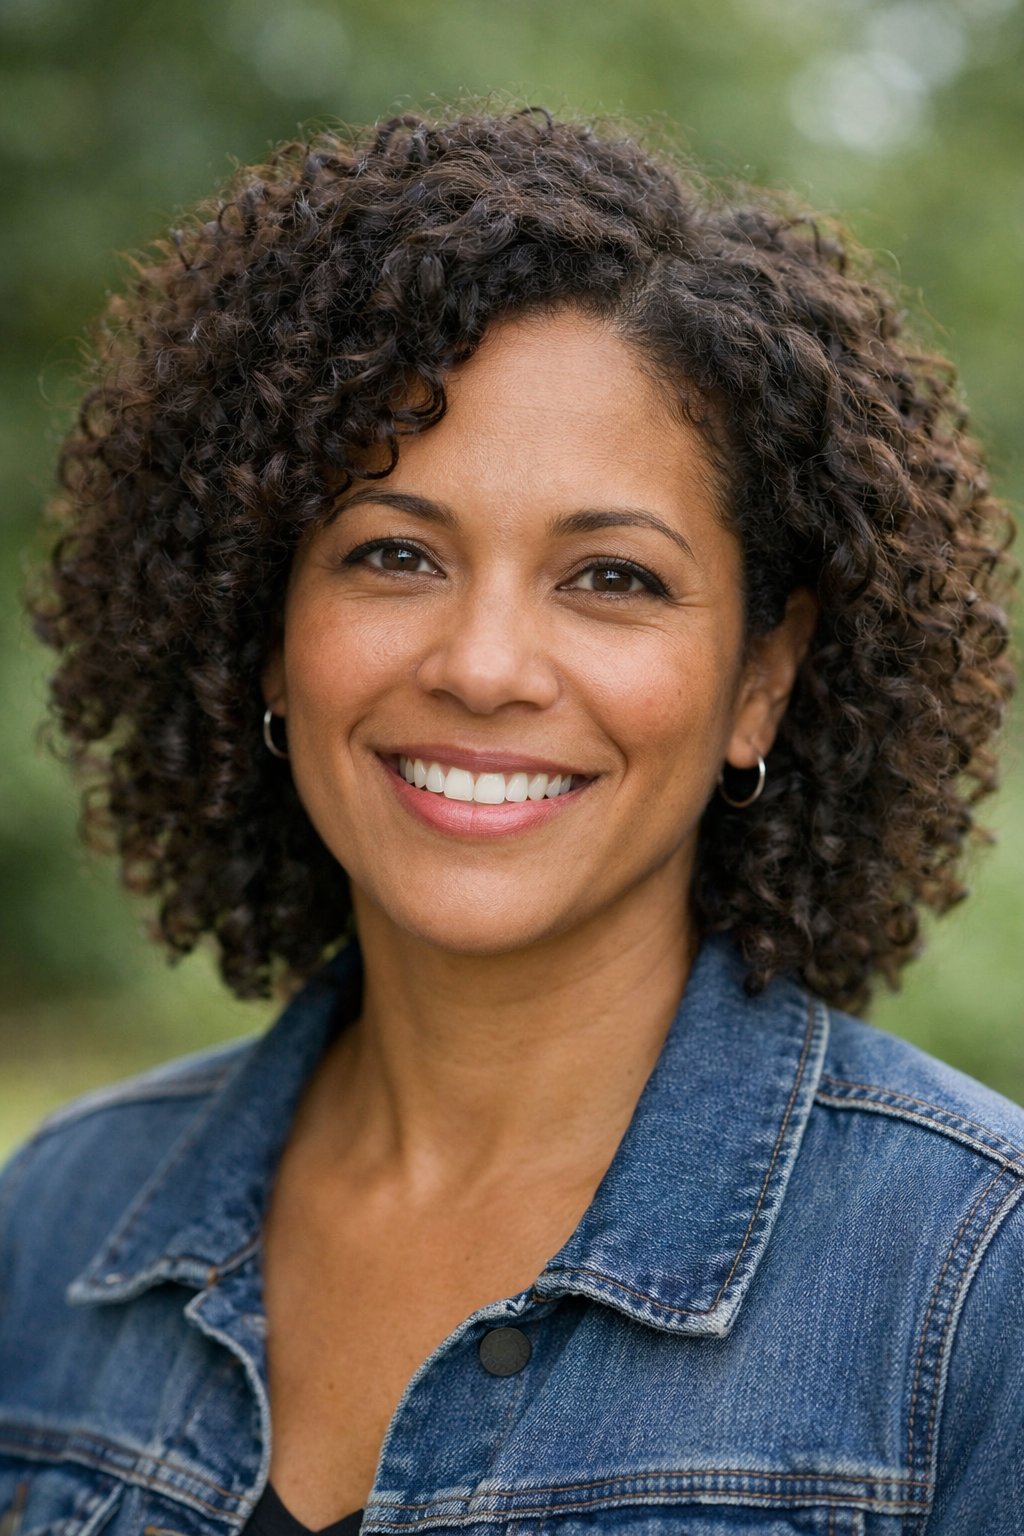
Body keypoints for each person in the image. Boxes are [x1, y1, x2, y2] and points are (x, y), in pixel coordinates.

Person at [1, 105, 1019, 1536]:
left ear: (762, 682)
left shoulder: (977, 1284)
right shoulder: (55, 1224)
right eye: (395, 554)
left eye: (611, 578)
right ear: (267, 634)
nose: (482, 668)